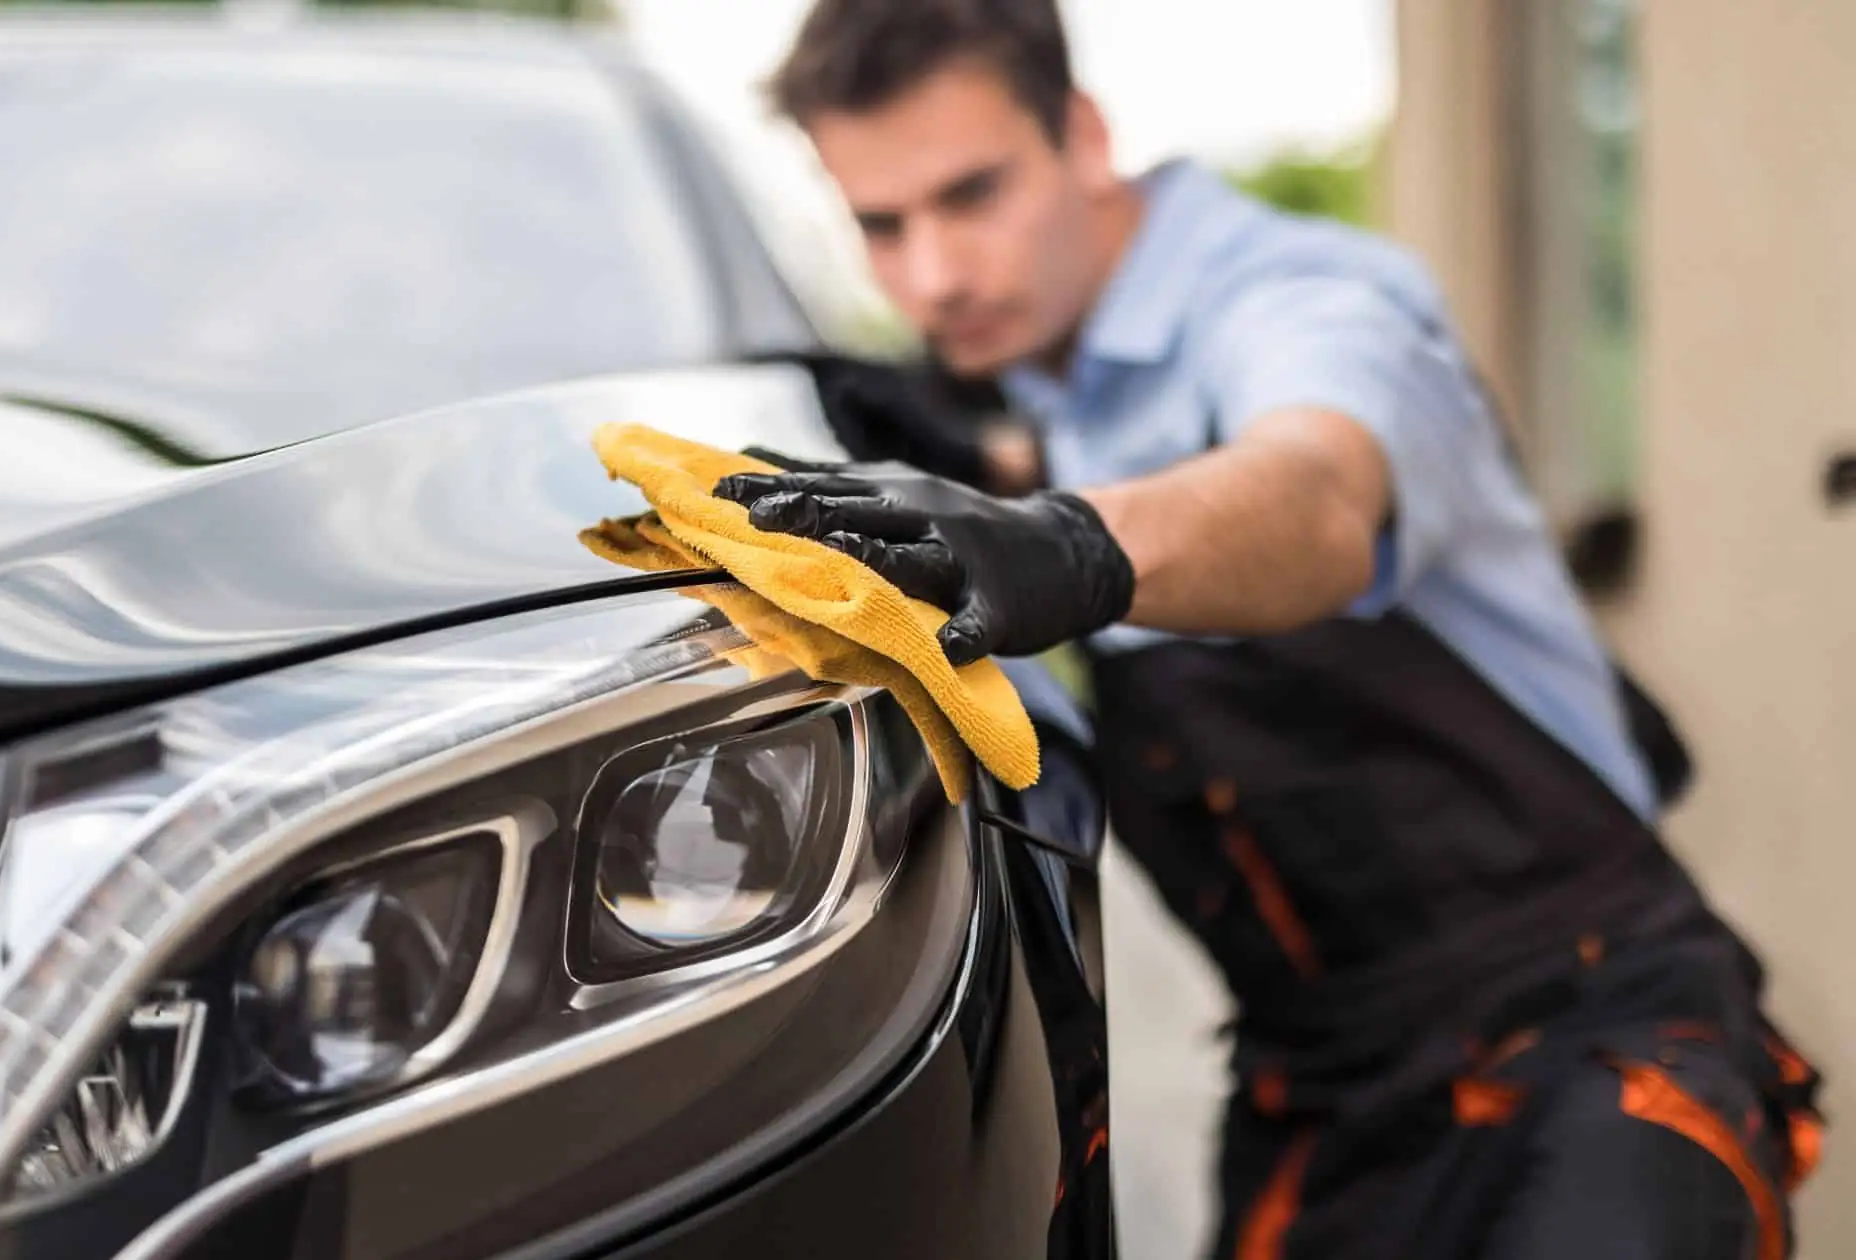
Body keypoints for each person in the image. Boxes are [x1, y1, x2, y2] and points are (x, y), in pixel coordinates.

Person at [725, 1, 1826, 1256]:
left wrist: (1074, 543)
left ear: (1081, 136)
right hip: (1322, 1103)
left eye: (971, 195)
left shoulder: (1301, 298)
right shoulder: (1053, 382)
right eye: (881, 224)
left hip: (1588, 1045)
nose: (933, 275)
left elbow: (1314, 493)